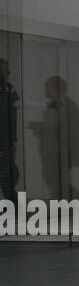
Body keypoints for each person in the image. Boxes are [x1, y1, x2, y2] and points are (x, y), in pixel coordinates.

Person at [0, 59, 19, 204]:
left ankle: (11, 204)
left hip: (7, 139)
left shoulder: (9, 88)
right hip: (3, 139)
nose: (5, 73)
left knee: (9, 172)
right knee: (6, 173)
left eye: (5, 70)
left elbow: (16, 104)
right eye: (2, 70)